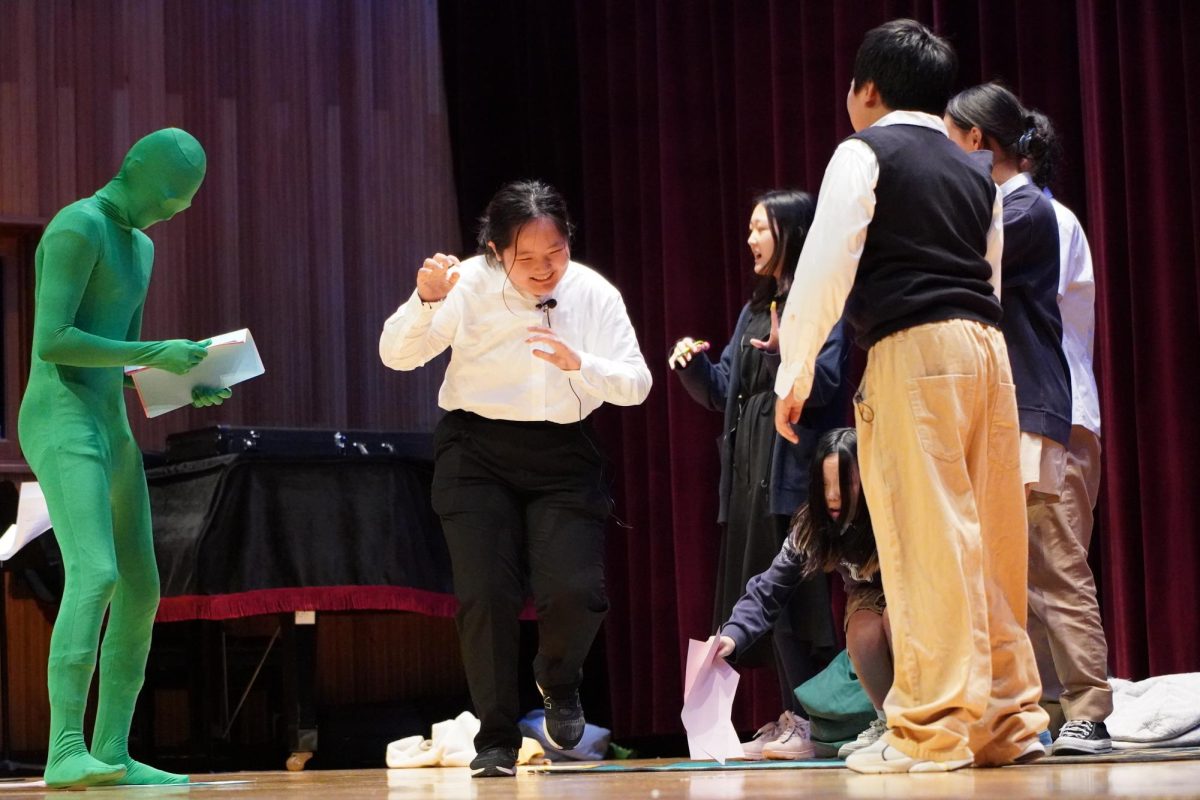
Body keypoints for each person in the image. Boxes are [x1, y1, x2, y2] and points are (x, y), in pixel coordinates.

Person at [772, 19, 1049, 773]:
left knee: (926, 542)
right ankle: (1003, 720)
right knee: (989, 541)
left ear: (866, 89)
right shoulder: (974, 168)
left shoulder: (863, 151)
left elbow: (826, 267)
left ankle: (929, 729)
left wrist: (793, 373)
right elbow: (987, 277)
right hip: (986, 356)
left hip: (914, 350)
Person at [379, 180, 652, 778]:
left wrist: (583, 363)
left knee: (576, 592)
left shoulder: (593, 293)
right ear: (496, 252)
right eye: (524, 258)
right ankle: (496, 737)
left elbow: (637, 383)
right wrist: (424, 300)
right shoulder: (468, 285)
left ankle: (559, 682)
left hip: (563, 453)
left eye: (553, 253)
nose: (543, 269)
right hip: (476, 452)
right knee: (486, 596)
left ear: (568, 242)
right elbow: (397, 356)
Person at [19, 128, 228, 789]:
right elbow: (53, 340)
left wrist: (185, 378)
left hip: (106, 422)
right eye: (172, 194)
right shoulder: (76, 227)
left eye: (186, 200)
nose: (177, 209)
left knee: (141, 589)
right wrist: (157, 349)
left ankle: (110, 752)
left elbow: (124, 354)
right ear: (135, 172)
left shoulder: (141, 245)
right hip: (60, 418)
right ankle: (62, 751)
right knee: (97, 573)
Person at [669, 190, 848, 757]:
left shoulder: (819, 303)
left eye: (759, 228)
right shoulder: (755, 308)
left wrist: (784, 349)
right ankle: (793, 713)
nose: (749, 240)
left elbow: (826, 380)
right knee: (765, 601)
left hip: (795, 469)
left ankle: (815, 719)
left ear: (791, 232)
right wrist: (693, 368)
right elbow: (726, 388)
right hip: (750, 475)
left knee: (800, 606)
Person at [1017, 109, 1113, 755]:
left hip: (1057, 414)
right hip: (1023, 415)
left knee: (1056, 565)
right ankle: (1049, 712)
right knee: (1019, 574)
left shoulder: (1044, 220)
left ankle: (1089, 707)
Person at [716, 428, 891, 761]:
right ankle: (888, 723)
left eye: (845, 484)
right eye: (825, 486)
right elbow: (770, 587)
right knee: (865, 633)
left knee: (899, 621)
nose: (834, 497)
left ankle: (920, 719)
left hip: (911, 596)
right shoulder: (812, 524)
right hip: (868, 597)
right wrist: (733, 635)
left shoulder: (893, 509)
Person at [945, 84, 1072, 503]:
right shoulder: (1005, 206)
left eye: (949, 143)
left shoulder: (1026, 211)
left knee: (1037, 560)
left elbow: (958, 260)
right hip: (1013, 404)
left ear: (976, 141)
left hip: (1028, 406)